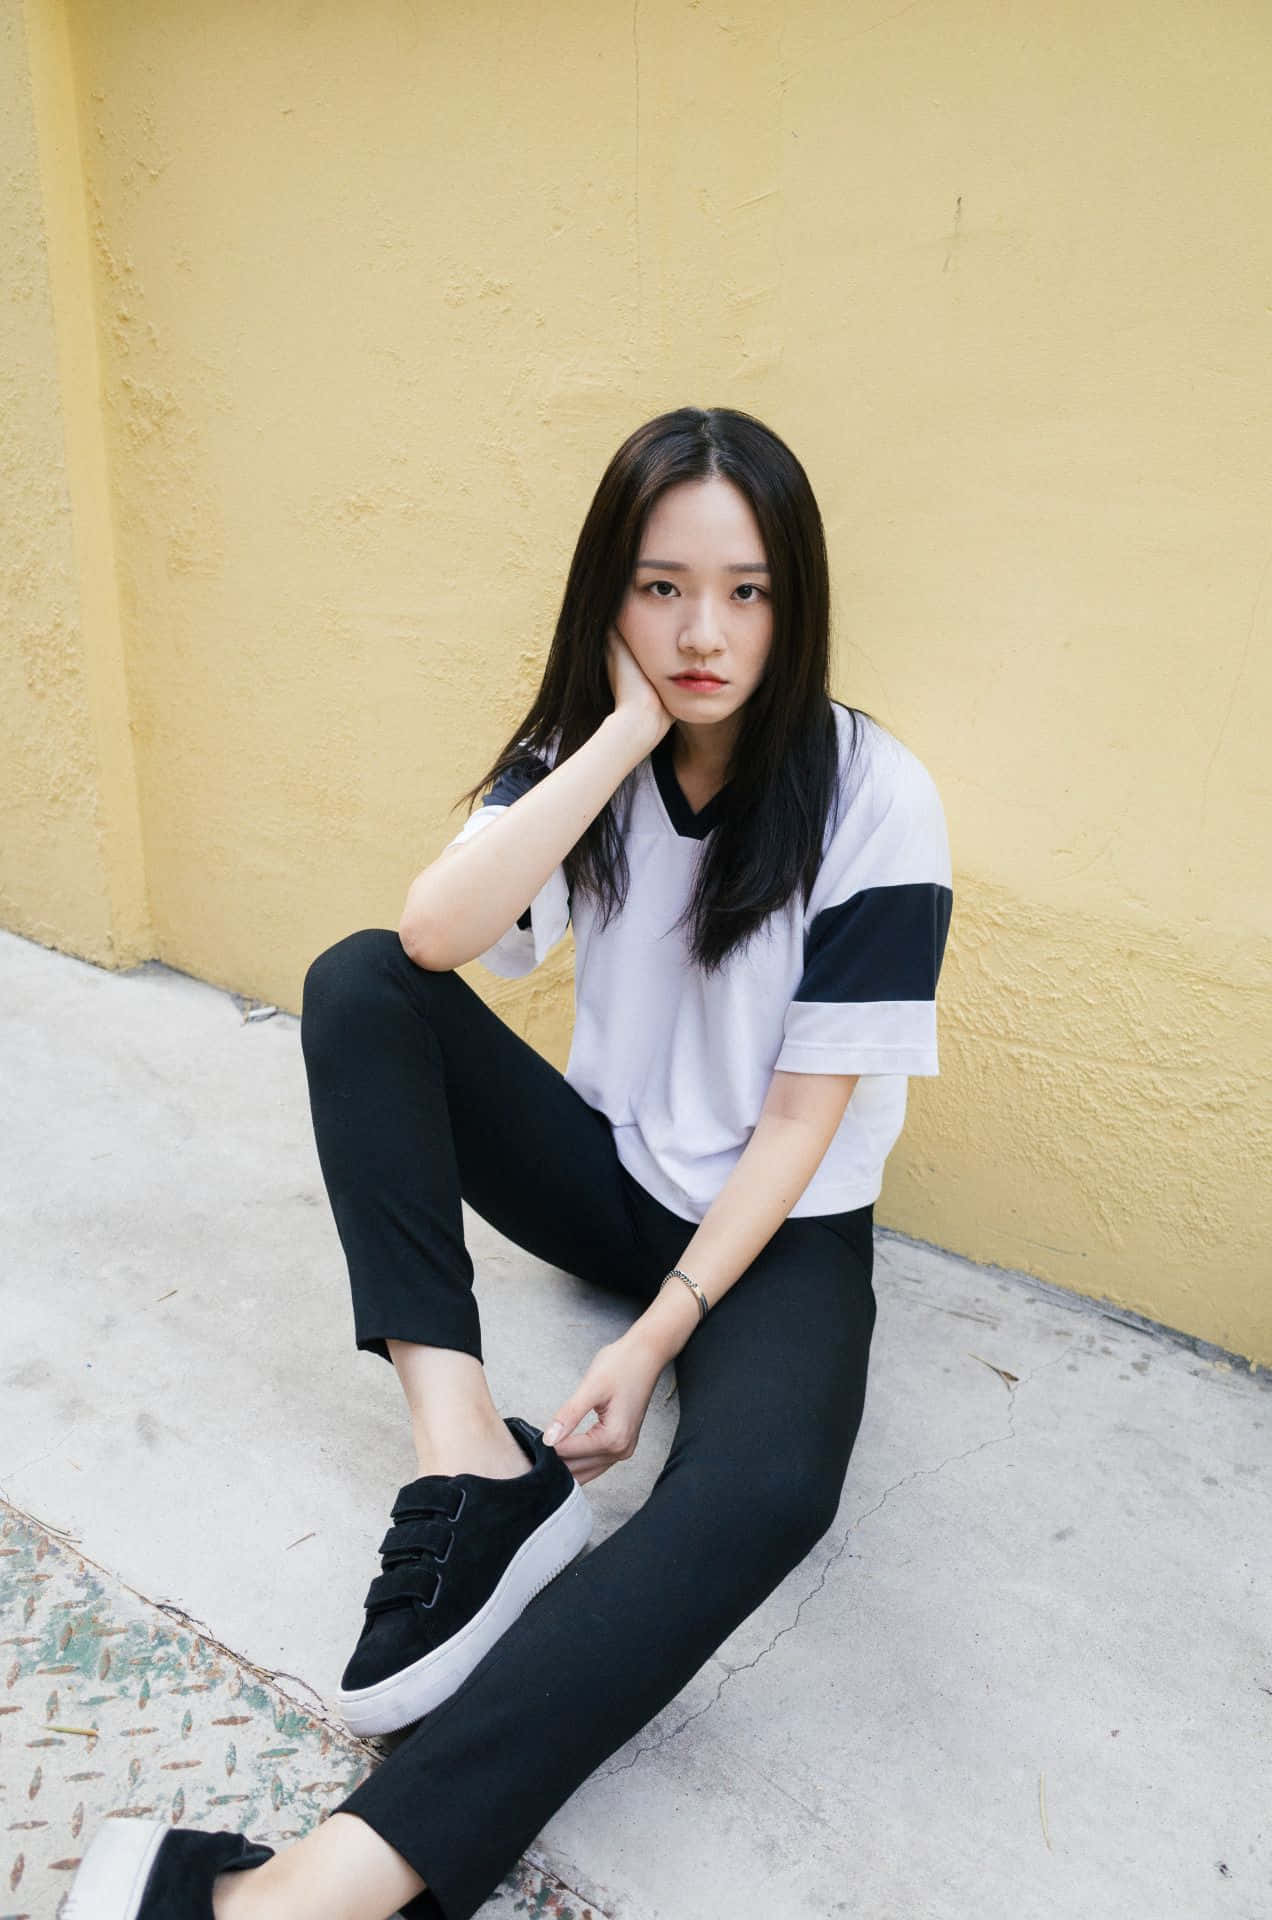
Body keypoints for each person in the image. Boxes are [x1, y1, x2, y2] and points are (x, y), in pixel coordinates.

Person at [67, 405, 953, 1920]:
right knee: (357, 984)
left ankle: (316, 1888)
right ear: (606, 591)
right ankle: (472, 1461)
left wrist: (660, 1335)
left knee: (765, 1492)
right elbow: (430, 941)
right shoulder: (585, 755)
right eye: (660, 586)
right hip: (609, 1173)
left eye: (746, 590)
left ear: (795, 601)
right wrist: (616, 740)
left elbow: (804, 1130)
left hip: (781, 1232)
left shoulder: (877, 797)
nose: (703, 632)